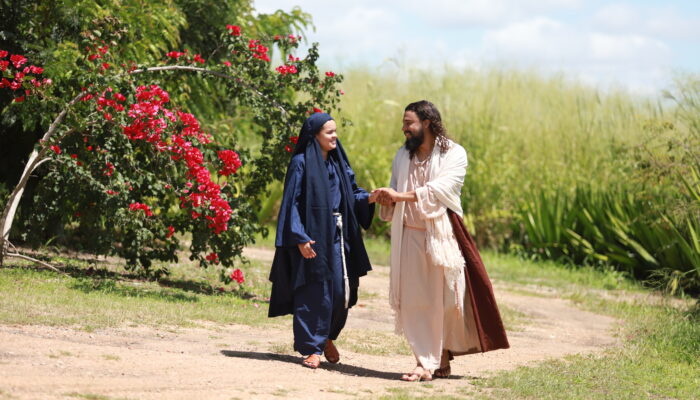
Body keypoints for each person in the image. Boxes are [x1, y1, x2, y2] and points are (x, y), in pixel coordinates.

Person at [373, 100, 509, 382]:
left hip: (441, 237)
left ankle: (440, 355)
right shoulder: (402, 155)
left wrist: (400, 196)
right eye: (404, 123)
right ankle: (425, 362)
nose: (404, 129)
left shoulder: (454, 153)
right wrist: (386, 197)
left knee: (444, 300)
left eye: (408, 123)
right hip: (408, 234)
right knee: (413, 301)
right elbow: (396, 189)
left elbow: (440, 190)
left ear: (427, 123)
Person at [268, 112, 376, 369]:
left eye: (335, 131)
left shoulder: (340, 164)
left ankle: (326, 336)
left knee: (341, 292)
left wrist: (373, 197)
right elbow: (292, 202)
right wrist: (299, 237)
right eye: (329, 132)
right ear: (314, 135)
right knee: (313, 292)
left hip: (340, 235)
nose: (335, 136)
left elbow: (353, 193)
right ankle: (311, 348)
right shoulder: (301, 163)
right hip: (312, 236)